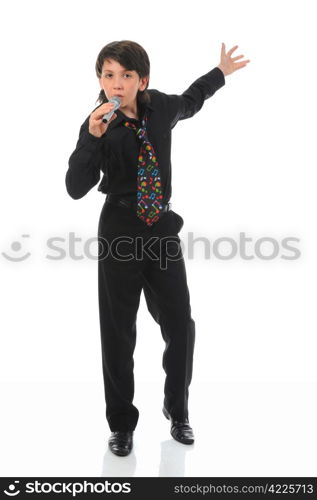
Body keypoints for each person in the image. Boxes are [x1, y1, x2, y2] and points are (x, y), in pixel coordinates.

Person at [65, 40, 250, 457]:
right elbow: (76, 188)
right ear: (100, 79)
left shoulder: (161, 108)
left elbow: (191, 100)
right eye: (108, 75)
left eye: (126, 75)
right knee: (117, 332)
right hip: (120, 230)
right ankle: (121, 425)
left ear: (141, 80)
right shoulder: (97, 123)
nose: (116, 84)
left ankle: (177, 411)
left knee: (180, 323)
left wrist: (219, 73)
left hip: (161, 230)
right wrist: (92, 139)